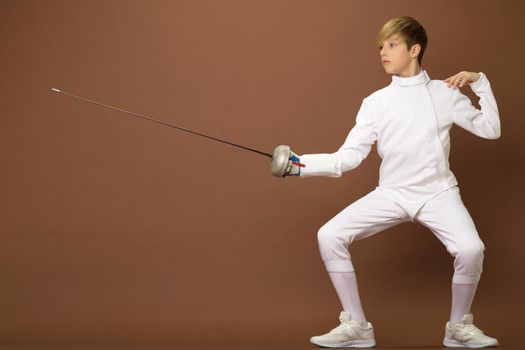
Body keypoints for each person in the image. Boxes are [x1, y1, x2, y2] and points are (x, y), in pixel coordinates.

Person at [282, 16, 501, 348]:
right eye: (381, 46)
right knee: (329, 235)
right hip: (392, 194)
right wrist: (298, 165)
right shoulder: (375, 103)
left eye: (392, 44)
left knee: (471, 249)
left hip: (437, 193)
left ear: (414, 49)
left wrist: (480, 81)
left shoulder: (444, 93)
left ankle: (458, 327)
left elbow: (491, 129)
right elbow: (347, 158)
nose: (383, 51)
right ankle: (357, 325)